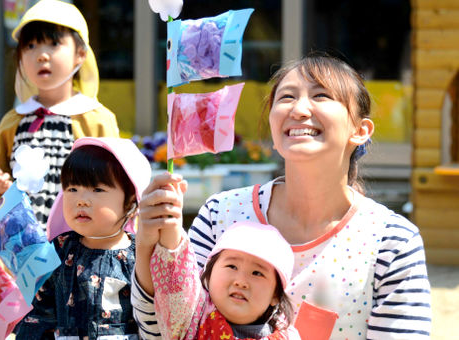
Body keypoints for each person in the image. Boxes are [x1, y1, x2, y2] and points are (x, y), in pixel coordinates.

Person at [131, 54, 432, 339]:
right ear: (274, 129)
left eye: (321, 96)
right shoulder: (220, 214)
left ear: (360, 130)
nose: (299, 110)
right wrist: (147, 245)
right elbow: (167, 329)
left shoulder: (392, 241)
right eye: (286, 97)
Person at [0, 0, 119, 227]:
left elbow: (120, 186)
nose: (41, 55)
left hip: (80, 247)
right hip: (23, 250)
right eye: (30, 46)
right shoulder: (14, 120)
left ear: (80, 53)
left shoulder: (96, 119)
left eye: (53, 43)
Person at [14, 137, 151, 339]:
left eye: (97, 189)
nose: (81, 201)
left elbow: (150, 320)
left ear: (130, 201)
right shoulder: (59, 249)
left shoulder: (140, 255)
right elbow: (39, 312)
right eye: (72, 189)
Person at [139, 207, 301, 339]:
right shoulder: (190, 319)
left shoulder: (286, 336)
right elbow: (174, 271)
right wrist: (170, 221)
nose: (241, 281)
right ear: (208, 275)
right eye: (232, 266)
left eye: (257, 273)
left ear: (276, 295)